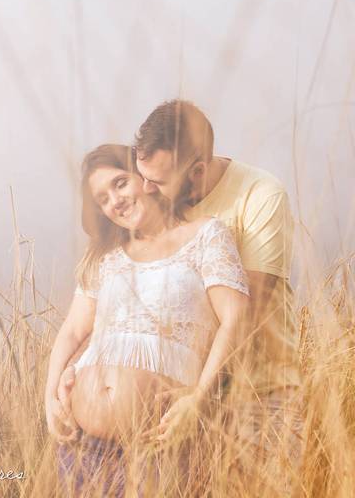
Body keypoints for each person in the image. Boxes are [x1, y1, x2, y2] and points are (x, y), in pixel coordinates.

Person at [44, 144, 251, 496]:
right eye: (103, 199)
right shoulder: (106, 257)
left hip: (160, 441)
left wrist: (198, 399)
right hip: (81, 444)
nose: (115, 200)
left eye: (120, 183)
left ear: (146, 178)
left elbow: (237, 320)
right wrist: (49, 397)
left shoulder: (205, 235)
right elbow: (73, 331)